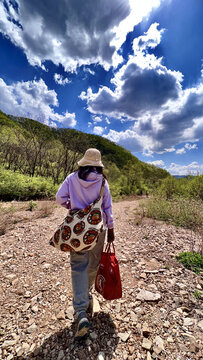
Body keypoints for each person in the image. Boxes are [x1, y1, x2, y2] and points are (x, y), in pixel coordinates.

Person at [55, 148, 115, 340]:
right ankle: (87, 294)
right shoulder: (102, 182)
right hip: (97, 230)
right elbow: (107, 207)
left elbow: (59, 198)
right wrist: (111, 229)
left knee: (78, 265)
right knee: (93, 264)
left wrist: (72, 208)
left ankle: (80, 311)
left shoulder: (72, 178)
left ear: (83, 162)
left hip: (77, 231)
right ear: (98, 165)